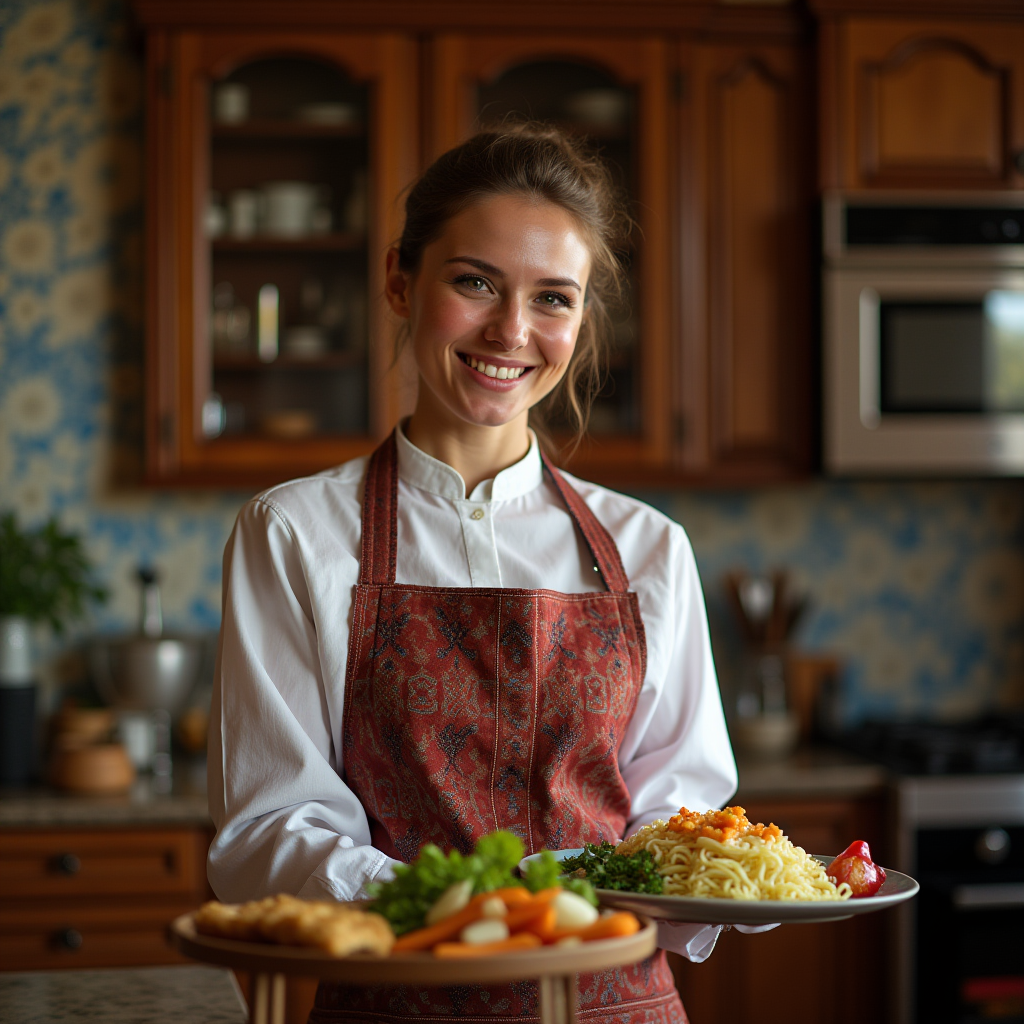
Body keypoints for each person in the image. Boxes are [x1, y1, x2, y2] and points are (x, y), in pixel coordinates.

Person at [209, 124, 742, 1024]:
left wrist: (657, 877)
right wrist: (460, 909)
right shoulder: (292, 532)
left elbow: (683, 809)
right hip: (395, 1004)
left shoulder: (650, 548)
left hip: (618, 1005)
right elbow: (268, 830)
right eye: (475, 282)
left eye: (553, 299)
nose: (512, 331)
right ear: (399, 281)